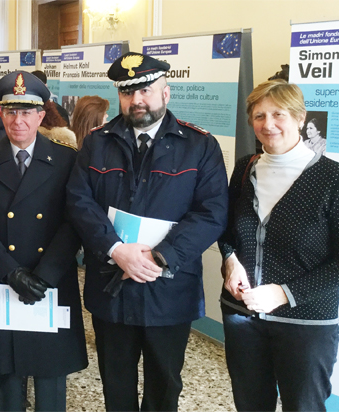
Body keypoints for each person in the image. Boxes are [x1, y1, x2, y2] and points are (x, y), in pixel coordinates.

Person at [66, 52, 228, 411]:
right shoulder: (97, 143)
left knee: (164, 384)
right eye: (127, 92)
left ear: (165, 93)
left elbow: (212, 213)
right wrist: (115, 248)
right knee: (116, 383)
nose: (136, 99)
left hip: (169, 287)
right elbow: (79, 202)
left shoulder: (199, 146)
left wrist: (160, 256)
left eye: (145, 90)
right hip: (112, 285)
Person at [0, 71, 88, 412]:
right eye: (10, 112)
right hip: (2, 278)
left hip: (51, 279)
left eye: (26, 112)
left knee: (50, 375)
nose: (17, 120)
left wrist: (45, 275)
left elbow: (74, 222)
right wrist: (11, 272)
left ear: (40, 115)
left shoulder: (66, 158)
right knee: (7, 377)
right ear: (1, 114)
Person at [219, 79, 339, 412]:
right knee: (250, 404)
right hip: (243, 315)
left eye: (279, 114)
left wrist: (284, 293)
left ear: (300, 118)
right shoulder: (244, 169)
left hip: (306, 323)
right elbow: (226, 230)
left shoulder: (334, 178)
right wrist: (230, 260)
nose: (268, 124)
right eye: (259, 116)